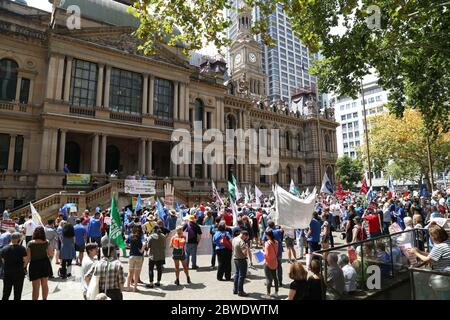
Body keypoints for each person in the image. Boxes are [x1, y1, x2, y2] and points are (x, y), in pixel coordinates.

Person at [26, 226, 53, 300]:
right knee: (45, 284)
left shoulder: (30, 243)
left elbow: (28, 258)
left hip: (34, 265)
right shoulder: (47, 242)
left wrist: (24, 267)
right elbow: (51, 254)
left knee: (35, 287)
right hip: (45, 263)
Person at [1, 232, 27, 300]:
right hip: (19, 272)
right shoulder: (22, 248)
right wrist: (23, 267)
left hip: (7, 272)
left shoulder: (4, 248)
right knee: (17, 293)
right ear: (18, 239)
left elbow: (3, 261)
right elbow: (25, 260)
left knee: (6, 292)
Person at [261, 220, 284, 285]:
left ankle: (269, 282)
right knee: (279, 266)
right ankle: (280, 281)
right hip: (278, 252)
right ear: (274, 225)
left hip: (270, 253)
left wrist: (264, 248)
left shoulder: (267, 232)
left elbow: (263, 241)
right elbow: (282, 229)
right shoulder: (278, 231)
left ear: (268, 225)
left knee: (270, 267)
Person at [232, 230, 249, 297]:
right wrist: (246, 247)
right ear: (244, 235)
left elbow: (233, 248)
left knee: (237, 274)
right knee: (242, 276)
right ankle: (240, 291)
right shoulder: (241, 242)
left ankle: (235, 289)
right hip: (241, 259)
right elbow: (244, 253)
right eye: (246, 237)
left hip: (235, 258)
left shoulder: (234, 239)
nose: (245, 239)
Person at [263, 228, 279, 299]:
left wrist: (262, 253)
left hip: (268, 262)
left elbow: (266, 254)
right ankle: (276, 292)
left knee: (268, 279)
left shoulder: (267, 243)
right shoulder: (276, 242)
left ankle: (268, 294)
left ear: (268, 235)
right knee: (275, 277)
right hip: (274, 261)